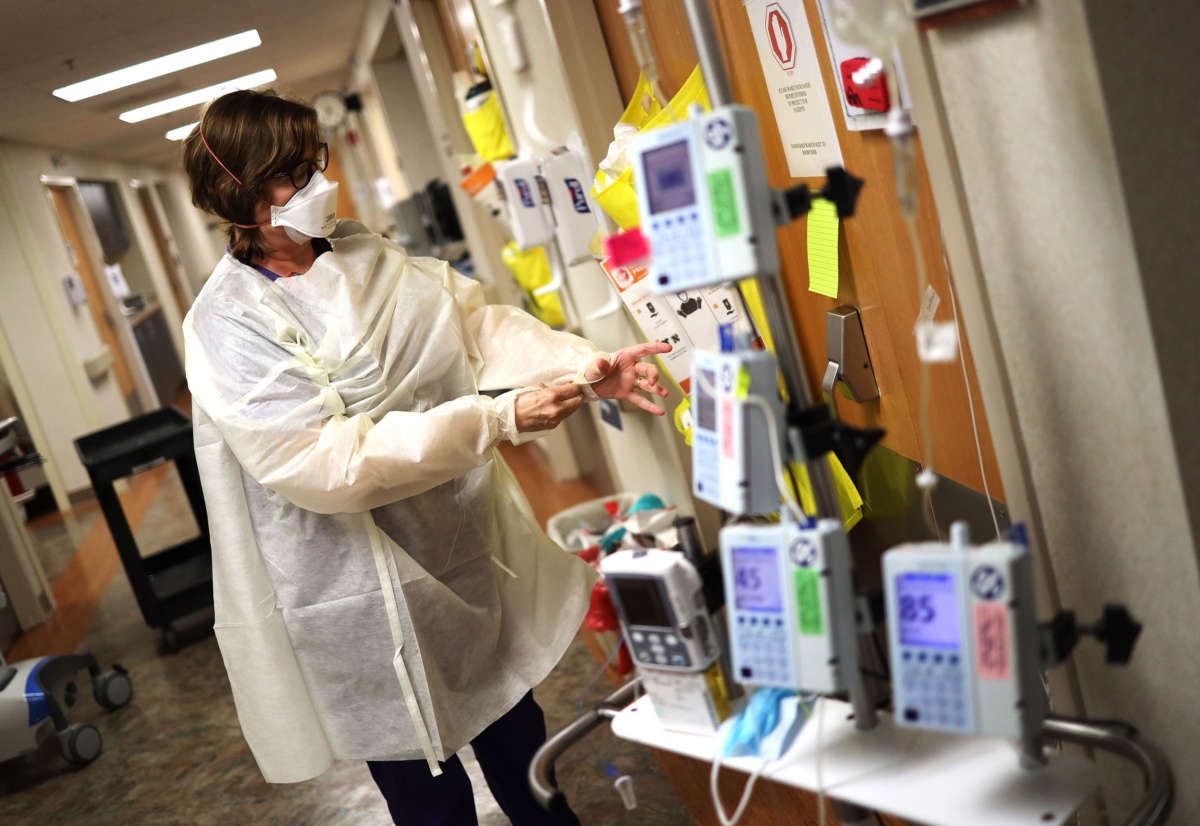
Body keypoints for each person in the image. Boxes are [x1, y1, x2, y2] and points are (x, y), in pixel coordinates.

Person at [181, 90, 671, 825]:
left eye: (312, 161)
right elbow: (324, 465)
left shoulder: (360, 254)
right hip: (355, 593)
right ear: (239, 196)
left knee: (521, 748)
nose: (317, 183)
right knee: (427, 798)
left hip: (454, 547)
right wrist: (495, 418)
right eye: (290, 175)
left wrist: (582, 366)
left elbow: (469, 328)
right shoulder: (227, 325)